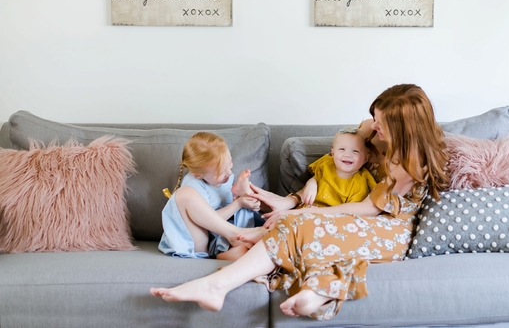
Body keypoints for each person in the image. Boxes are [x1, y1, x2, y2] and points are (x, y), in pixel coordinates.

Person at [151, 84, 449, 320]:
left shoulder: (409, 162)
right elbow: (359, 138)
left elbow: (370, 208)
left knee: (303, 221)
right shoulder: (387, 145)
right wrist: (364, 131)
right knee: (301, 221)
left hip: (387, 234)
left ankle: (219, 283)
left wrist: (324, 215)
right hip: (371, 225)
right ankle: (301, 287)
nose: (374, 125)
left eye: (381, 123)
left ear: (402, 129)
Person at [158, 132, 264, 261]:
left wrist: (246, 201)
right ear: (198, 174)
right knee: (185, 194)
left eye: (229, 165)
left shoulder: (225, 178)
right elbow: (210, 222)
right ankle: (229, 243)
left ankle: (236, 245)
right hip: (206, 238)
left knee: (248, 240)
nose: (229, 173)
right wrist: (237, 204)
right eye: (221, 172)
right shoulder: (193, 186)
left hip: (227, 234)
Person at [296, 127, 377, 207]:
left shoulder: (360, 183)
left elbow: (350, 210)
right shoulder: (327, 163)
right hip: (307, 207)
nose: (347, 155)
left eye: (355, 151)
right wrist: (311, 184)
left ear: (365, 159)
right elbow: (316, 177)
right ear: (333, 154)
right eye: (342, 149)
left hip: (331, 215)